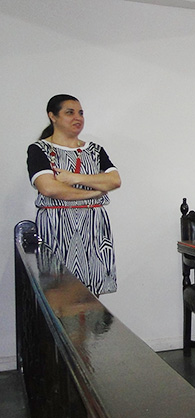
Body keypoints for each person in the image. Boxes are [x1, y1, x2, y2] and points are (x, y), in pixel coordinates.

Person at [26, 94, 121, 295]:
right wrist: (94, 193)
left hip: (93, 228)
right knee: (57, 292)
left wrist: (73, 178)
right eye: (69, 112)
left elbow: (114, 180)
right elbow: (49, 188)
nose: (77, 117)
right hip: (56, 226)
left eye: (81, 113)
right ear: (52, 116)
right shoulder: (39, 150)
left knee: (91, 294)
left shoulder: (94, 150)